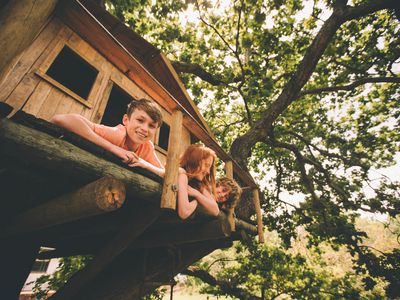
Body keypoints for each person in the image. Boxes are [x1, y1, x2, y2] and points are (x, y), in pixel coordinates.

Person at [50, 98, 165, 176]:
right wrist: (113, 148)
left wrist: (145, 164)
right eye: (140, 120)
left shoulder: (147, 147)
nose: (145, 128)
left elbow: (164, 173)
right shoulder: (119, 134)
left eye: (151, 126)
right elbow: (60, 119)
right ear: (126, 120)